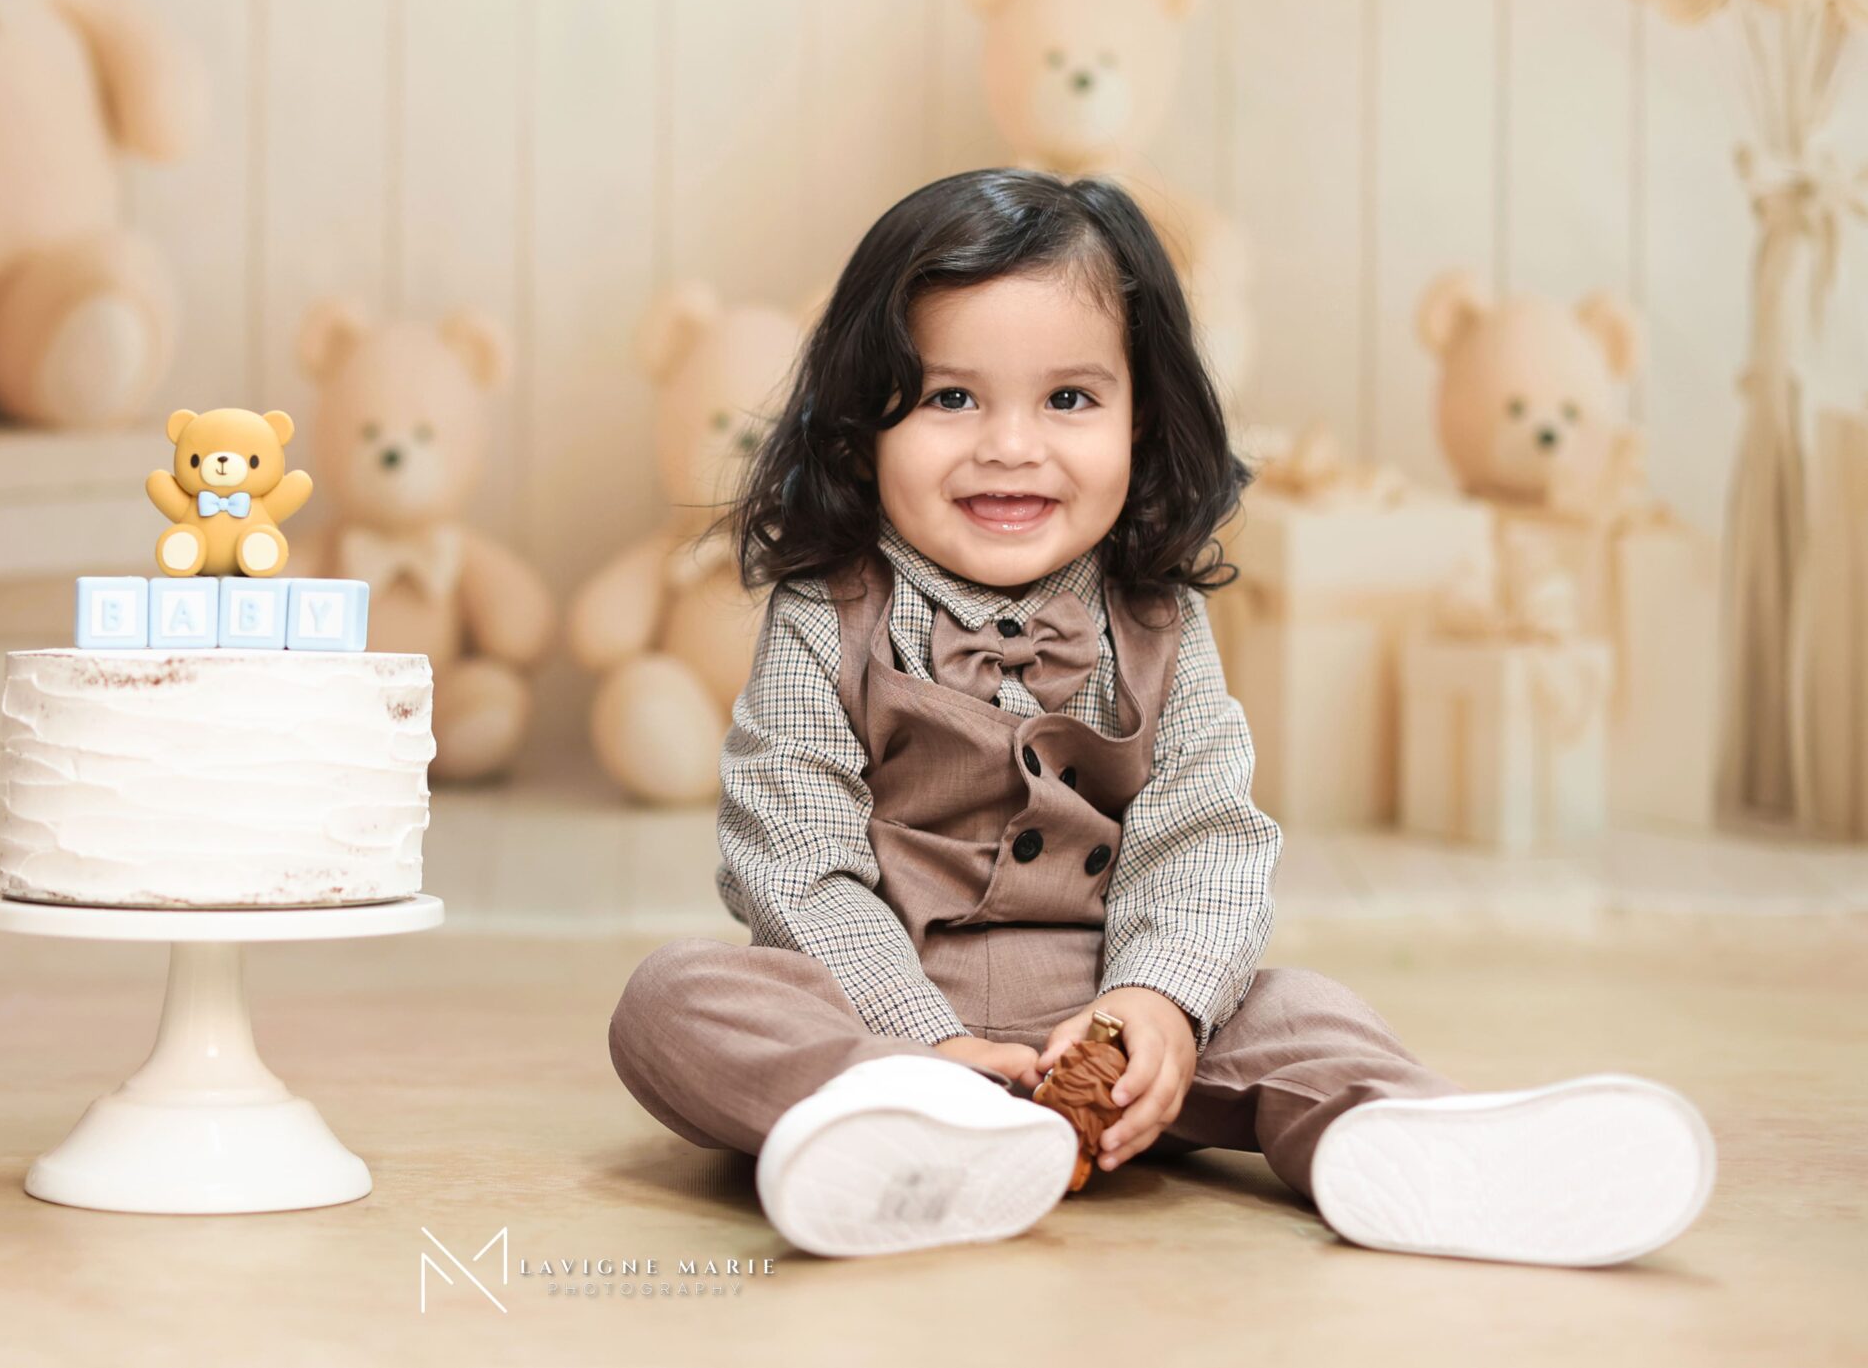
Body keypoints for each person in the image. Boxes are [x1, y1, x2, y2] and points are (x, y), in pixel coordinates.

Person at [606, 169, 1713, 1264]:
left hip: (1111, 1006)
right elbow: (792, 852)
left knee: (1304, 1014)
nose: (1010, 444)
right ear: (861, 428)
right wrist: (916, 1043)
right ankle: (896, 1132)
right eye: (951, 398)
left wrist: (1159, 1004)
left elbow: (1201, 836)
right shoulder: (824, 612)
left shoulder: (1158, 619)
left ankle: (1418, 1150)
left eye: (1069, 399)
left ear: (1143, 423)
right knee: (674, 1002)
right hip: (882, 1006)